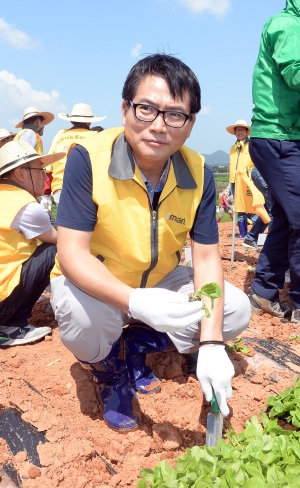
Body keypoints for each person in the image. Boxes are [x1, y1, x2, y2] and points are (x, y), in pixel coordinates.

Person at [50, 54, 251, 432]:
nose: (159, 126)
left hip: (161, 280)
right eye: (146, 109)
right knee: (83, 322)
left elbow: (206, 257)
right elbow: (72, 252)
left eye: (175, 115)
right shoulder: (89, 159)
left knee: (235, 309)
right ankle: (107, 371)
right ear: (126, 108)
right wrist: (133, 300)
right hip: (98, 282)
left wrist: (210, 344)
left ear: (190, 124)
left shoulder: (199, 173)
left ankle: (137, 345)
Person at [249, 0, 300, 322]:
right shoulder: (289, 24)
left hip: (282, 136)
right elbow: (295, 74)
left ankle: (264, 291)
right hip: (279, 137)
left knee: (285, 218)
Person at [0, 140, 65, 346]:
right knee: (53, 250)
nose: (45, 176)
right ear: (20, 174)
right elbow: (61, 240)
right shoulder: (26, 206)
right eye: (40, 170)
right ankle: (12, 325)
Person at [47, 103, 106, 207]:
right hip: (85, 189)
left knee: (63, 221)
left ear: (71, 120)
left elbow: (49, 166)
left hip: (59, 189)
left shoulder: (60, 137)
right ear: (90, 121)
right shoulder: (96, 137)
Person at [226, 120, 254, 238]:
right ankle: (243, 233)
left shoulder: (252, 146)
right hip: (235, 182)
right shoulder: (233, 148)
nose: (240, 132)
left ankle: (256, 233)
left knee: (254, 207)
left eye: (242, 129)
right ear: (235, 132)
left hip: (248, 181)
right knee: (239, 208)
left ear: (247, 132)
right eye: (238, 130)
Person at [242, 167, 272, 250]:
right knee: (273, 209)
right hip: (264, 172)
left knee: (267, 211)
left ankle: (250, 238)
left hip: (263, 172)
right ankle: (272, 245)